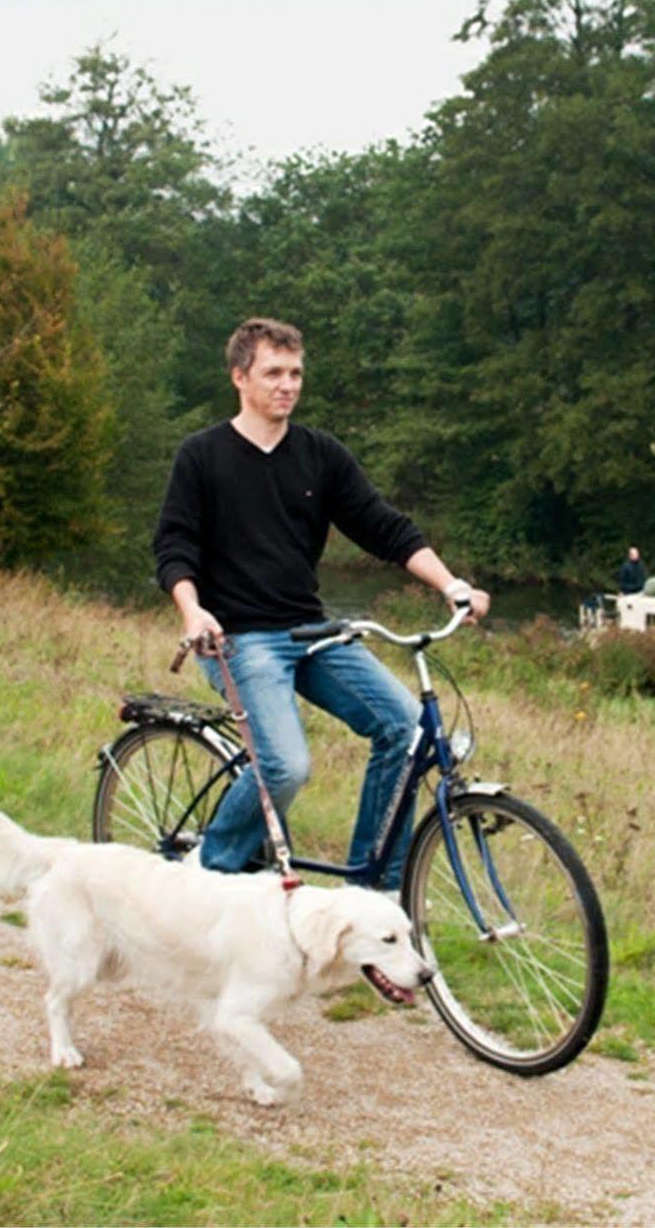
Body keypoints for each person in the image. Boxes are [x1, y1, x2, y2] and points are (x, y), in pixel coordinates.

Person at [152, 317, 490, 889]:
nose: (288, 385)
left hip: (312, 632)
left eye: (296, 373)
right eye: (273, 373)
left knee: (406, 734)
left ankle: (371, 890)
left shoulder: (319, 456)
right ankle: (208, 873)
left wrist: (450, 583)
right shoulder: (202, 455)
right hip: (238, 639)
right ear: (240, 377)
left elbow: (384, 527)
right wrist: (193, 610)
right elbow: (174, 545)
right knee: (285, 766)